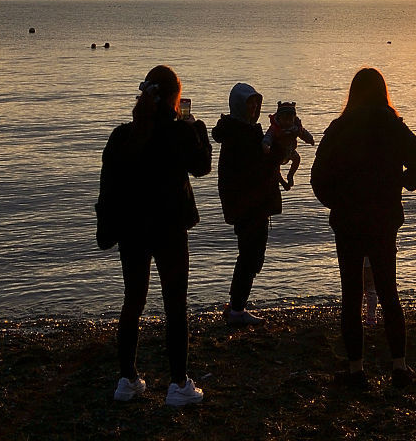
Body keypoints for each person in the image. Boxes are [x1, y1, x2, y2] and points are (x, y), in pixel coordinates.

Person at [308, 67, 416, 388]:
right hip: (383, 218)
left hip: (348, 220)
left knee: (350, 294)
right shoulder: (391, 124)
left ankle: (355, 370)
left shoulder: (339, 127)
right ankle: (400, 367)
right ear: (382, 92)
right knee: (388, 291)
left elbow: (318, 178)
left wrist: (336, 202)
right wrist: (401, 184)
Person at [95, 64, 213, 406]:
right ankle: (178, 383)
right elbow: (202, 166)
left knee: (133, 301)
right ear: (174, 98)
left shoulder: (122, 136)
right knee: (175, 304)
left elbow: (108, 186)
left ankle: (127, 379)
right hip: (170, 229)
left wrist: (107, 225)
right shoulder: (179, 133)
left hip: (132, 231)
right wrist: (196, 127)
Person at [211, 82, 281, 325]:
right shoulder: (243, 135)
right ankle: (237, 309)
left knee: (250, 255)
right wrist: (280, 150)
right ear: (239, 106)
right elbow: (259, 169)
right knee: (251, 256)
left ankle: (236, 304)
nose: (254, 108)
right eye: (250, 104)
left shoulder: (241, 131)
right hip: (249, 204)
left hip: (245, 203)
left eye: (256, 104)